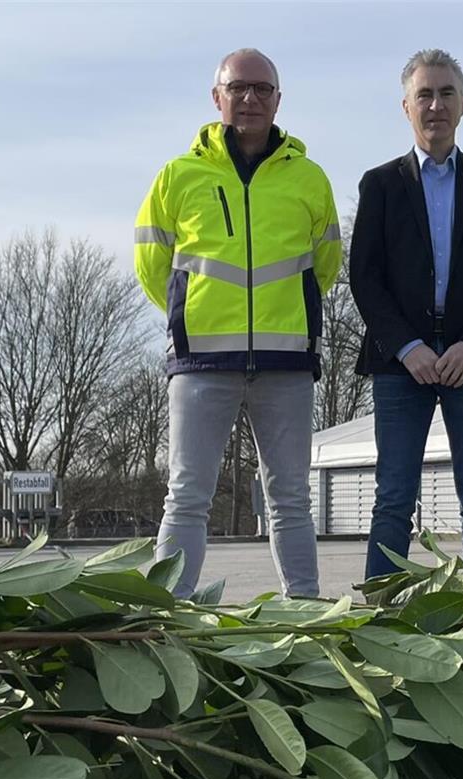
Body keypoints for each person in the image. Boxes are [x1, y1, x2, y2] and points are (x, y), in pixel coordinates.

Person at [134, 49, 341, 598]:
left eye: (263, 89)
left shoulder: (309, 178)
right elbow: (151, 263)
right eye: (239, 88)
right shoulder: (178, 177)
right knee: (186, 496)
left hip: (287, 364)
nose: (250, 99)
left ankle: (304, 611)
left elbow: (325, 265)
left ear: (278, 99)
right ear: (217, 96)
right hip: (201, 362)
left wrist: (289, 317)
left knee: (291, 497)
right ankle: (167, 615)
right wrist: (188, 318)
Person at [350, 49, 463, 578]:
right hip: (401, 366)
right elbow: (365, 277)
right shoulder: (379, 185)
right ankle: (382, 617)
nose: (436, 105)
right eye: (424, 94)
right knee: (393, 499)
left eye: (446, 93)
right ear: (406, 107)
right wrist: (408, 347)